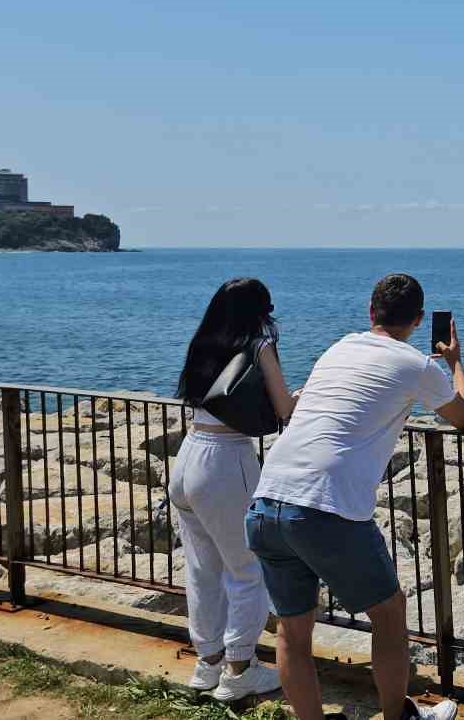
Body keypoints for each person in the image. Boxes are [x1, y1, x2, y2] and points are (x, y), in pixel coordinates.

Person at [246, 273, 464, 720]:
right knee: (389, 612)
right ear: (419, 320)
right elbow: (463, 417)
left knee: (293, 632)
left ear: (371, 313)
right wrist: (455, 363)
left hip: (266, 500)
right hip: (324, 507)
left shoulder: (338, 348)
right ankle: (398, 716)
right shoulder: (416, 364)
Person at [172, 278, 295, 702]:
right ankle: (240, 670)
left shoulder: (204, 342)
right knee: (249, 569)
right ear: (260, 311)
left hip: (188, 454)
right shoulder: (259, 345)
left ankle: (207, 664)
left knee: (202, 569)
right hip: (226, 461)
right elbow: (285, 410)